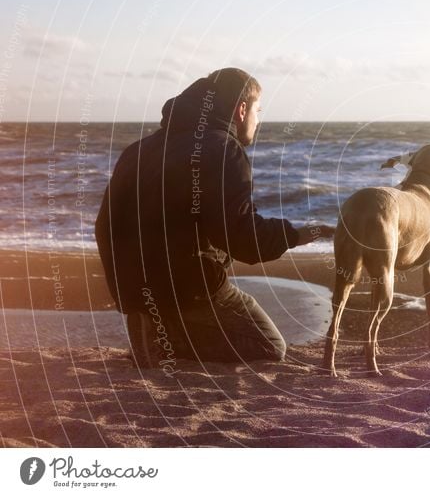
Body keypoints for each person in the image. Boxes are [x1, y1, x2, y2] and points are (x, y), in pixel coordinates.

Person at [95, 67, 332, 369]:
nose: (258, 121)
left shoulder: (138, 150)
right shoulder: (222, 149)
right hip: (191, 290)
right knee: (269, 346)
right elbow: (241, 237)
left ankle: (157, 328)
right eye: (258, 111)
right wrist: (299, 234)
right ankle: (172, 342)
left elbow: (105, 226)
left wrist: (128, 295)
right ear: (241, 110)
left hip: (135, 294)